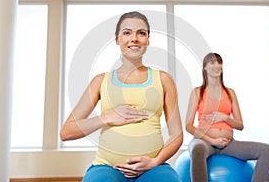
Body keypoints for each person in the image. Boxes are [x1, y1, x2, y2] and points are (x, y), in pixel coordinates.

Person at [60, 11, 183, 182]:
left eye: (141, 33)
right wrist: (107, 117)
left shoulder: (163, 79)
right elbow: (66, 132)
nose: (134, 38)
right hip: (106, 167)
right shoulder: (100, 81)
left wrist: (155, 161)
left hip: (153, 168)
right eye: (127, 32)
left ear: (148, 40)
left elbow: (177, 134)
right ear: (117, 39)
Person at [185, 52, 269, 182]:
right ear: (205, 67)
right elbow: (188, 126)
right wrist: (212, 140)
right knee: (197, 149)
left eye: (219, 62)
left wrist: (225, 118)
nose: (217, 66)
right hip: (204, 141)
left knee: (267, 151)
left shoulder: (230, 93)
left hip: (228, 144)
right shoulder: (197, 92)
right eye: (213, 62)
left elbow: (240, 125)